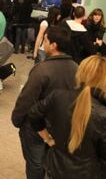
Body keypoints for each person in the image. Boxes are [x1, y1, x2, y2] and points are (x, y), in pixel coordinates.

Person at [28, 55, 106, 179]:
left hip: (55, 168)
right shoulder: (105, 115)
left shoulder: (57, 96)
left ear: (80, 73)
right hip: (87, 173)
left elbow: (33, 114)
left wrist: (47, 138)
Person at [12, 26, 78, 179]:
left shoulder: (42, 70)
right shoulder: (77, 69)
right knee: (51, 162)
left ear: (54, 45)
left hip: (36, 127)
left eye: (46, 40)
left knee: (35, 164)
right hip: (62, 127)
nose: (43, 43)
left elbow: (26, 99)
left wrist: (17, 119)